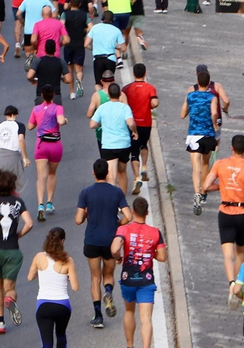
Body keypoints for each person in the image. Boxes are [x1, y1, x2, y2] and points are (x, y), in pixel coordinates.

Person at [75, 157, 130, 329]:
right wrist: (117, 223)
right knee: (108, 275)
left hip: (92, 240)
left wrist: (85, 214)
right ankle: (108, 292)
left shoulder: (85, 193)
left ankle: (98, 315)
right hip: (110, 240)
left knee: (95, 277)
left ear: (94, 173)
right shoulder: (117, 192)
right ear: (107, 173)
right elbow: (128, 216)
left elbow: (78, 220)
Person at [201, 133, 244, 286]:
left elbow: (205, 186)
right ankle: (238, 285)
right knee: (240, 253)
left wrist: (222, 186)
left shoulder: (220, 164)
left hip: (225, 213)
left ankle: (231, 283)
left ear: (232, 148)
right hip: (243, 214)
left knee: (228, 255)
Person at [0, 169, 33, 335]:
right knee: (9, 287)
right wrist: (18, 235)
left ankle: (0, 322)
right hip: (13, 251)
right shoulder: (18, 202)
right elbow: (29, 223)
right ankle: (9, 298)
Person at [111, 197, 167, 348]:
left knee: (129, 311)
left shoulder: (123, 229)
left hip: (128, 279)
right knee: (146, 318)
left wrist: (118, 257)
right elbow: (162, 257)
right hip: (146, 281)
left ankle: (130, 346)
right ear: (147, 212)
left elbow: (114, 249)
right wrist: (149, 251)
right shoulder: (155, 232)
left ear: (133, 211)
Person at [186, 67, 228, 214]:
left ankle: (197, 193)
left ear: (197, 79)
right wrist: (214, 123)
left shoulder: (190, 94)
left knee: (195, 167)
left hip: (194, 135)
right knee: (205, 163)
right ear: (208, 81)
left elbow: (182, 114)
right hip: (209, 135)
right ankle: (204, 192)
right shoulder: (212, 97)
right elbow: (214, 113)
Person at [27, 227, 78, 348]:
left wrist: (40, 271)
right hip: (62, 306)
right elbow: (75, 287)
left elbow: (30, 277)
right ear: (63, 241)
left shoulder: (39, 257)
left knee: (47, 343)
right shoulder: (68, 260)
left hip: (44, 306)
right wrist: (67, 276)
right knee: (61, 336)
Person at [89, 82, 137, 194]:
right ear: (120, 94)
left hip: (108, 145)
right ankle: (122, 200)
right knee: (122, 172)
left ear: (109, 95)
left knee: (111, 175)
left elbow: (92, 124)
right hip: (124, 144)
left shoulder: (102, 108)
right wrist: (134, 131)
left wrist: (102, 124)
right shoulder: (125, 108)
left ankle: (113, 201)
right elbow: (130, 123)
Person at [28, 86, 66, 219]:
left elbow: (30, 126)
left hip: (41, 145)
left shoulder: (36, 109)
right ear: (54, 94)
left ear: (42, 95)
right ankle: (49, 202)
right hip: (55, 145)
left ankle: (40, 204)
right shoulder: (57, 107)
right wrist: (64, 121)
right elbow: (61, 120)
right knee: (52, 173)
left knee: (41, 176)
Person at [122, 63, 159, 195]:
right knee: (144, 145)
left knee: (133, 151)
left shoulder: (126, 89)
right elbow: (154, 103)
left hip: (132, 123)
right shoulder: (150, 88)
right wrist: (149, 106)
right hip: (146, 123)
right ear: (145, 73)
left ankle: (136, 177)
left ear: (133, 73)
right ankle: (144, 167)